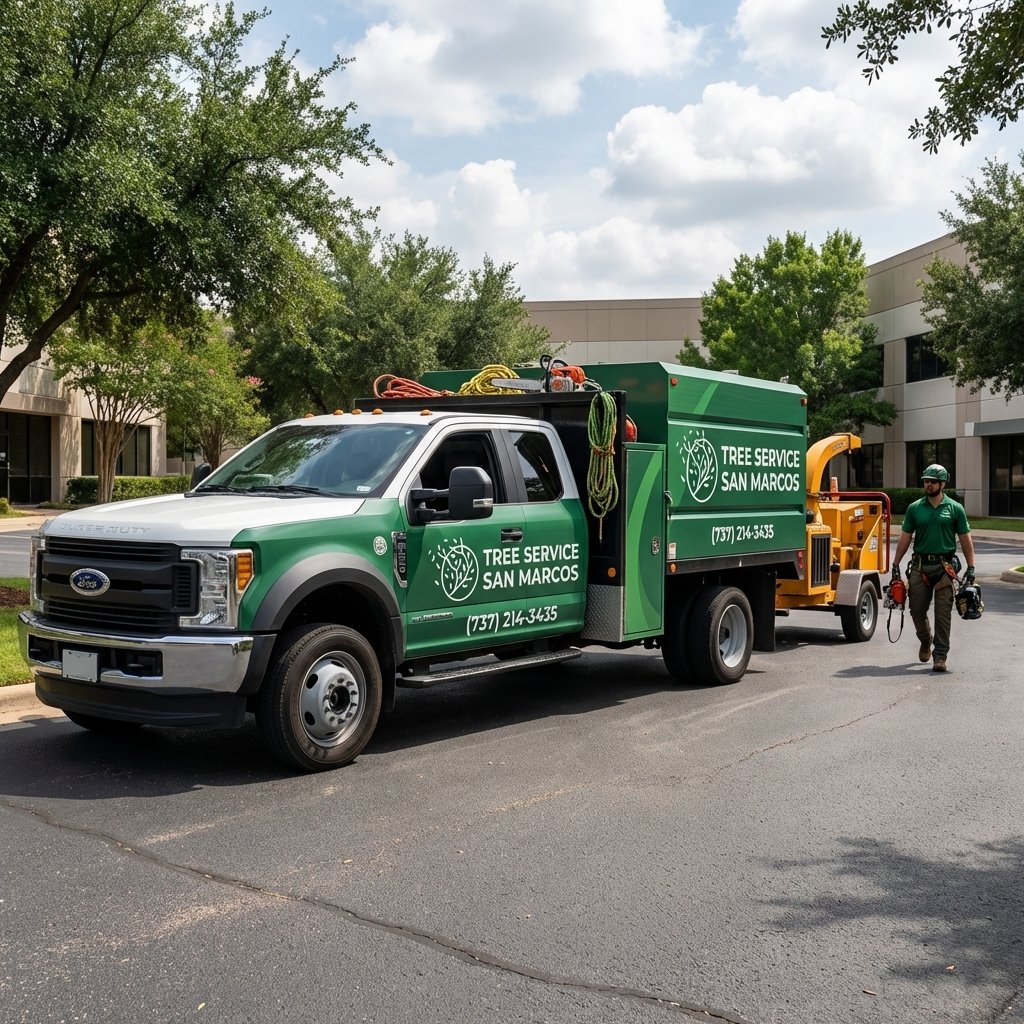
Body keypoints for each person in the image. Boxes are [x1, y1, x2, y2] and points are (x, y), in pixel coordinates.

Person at [889, 464, 975, 673]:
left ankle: (940, 656)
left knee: (943, 614)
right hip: (920, 566)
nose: (928, 484)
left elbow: (965, 538)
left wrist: (971, 567)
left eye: (932, 481)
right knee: (916, 610)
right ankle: (926, 640)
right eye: (926, 481)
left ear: (942, 484)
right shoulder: (915, 508)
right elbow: (905, 537)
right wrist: (895, 564)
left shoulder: (955, 508)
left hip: (945, 567)